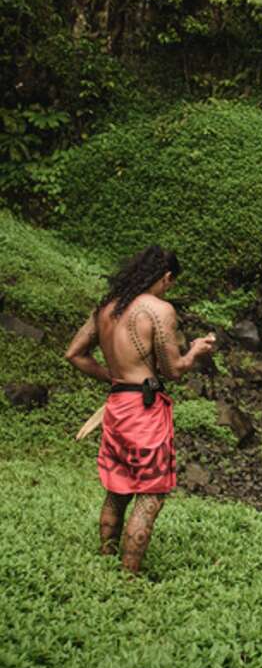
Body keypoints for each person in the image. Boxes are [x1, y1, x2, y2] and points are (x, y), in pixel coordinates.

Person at [65, 245, 215, 574]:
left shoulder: (106, 308)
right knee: (151, 495)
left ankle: (106, 560)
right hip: (145, 412)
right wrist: (195, 351)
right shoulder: (158, 310)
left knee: (118, 490)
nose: (169, 288)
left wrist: (114, 378)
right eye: (170, 283)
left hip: (116, 407)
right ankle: (129, 577)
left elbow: (74, 353)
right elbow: (173, 370)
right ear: (165, 277)